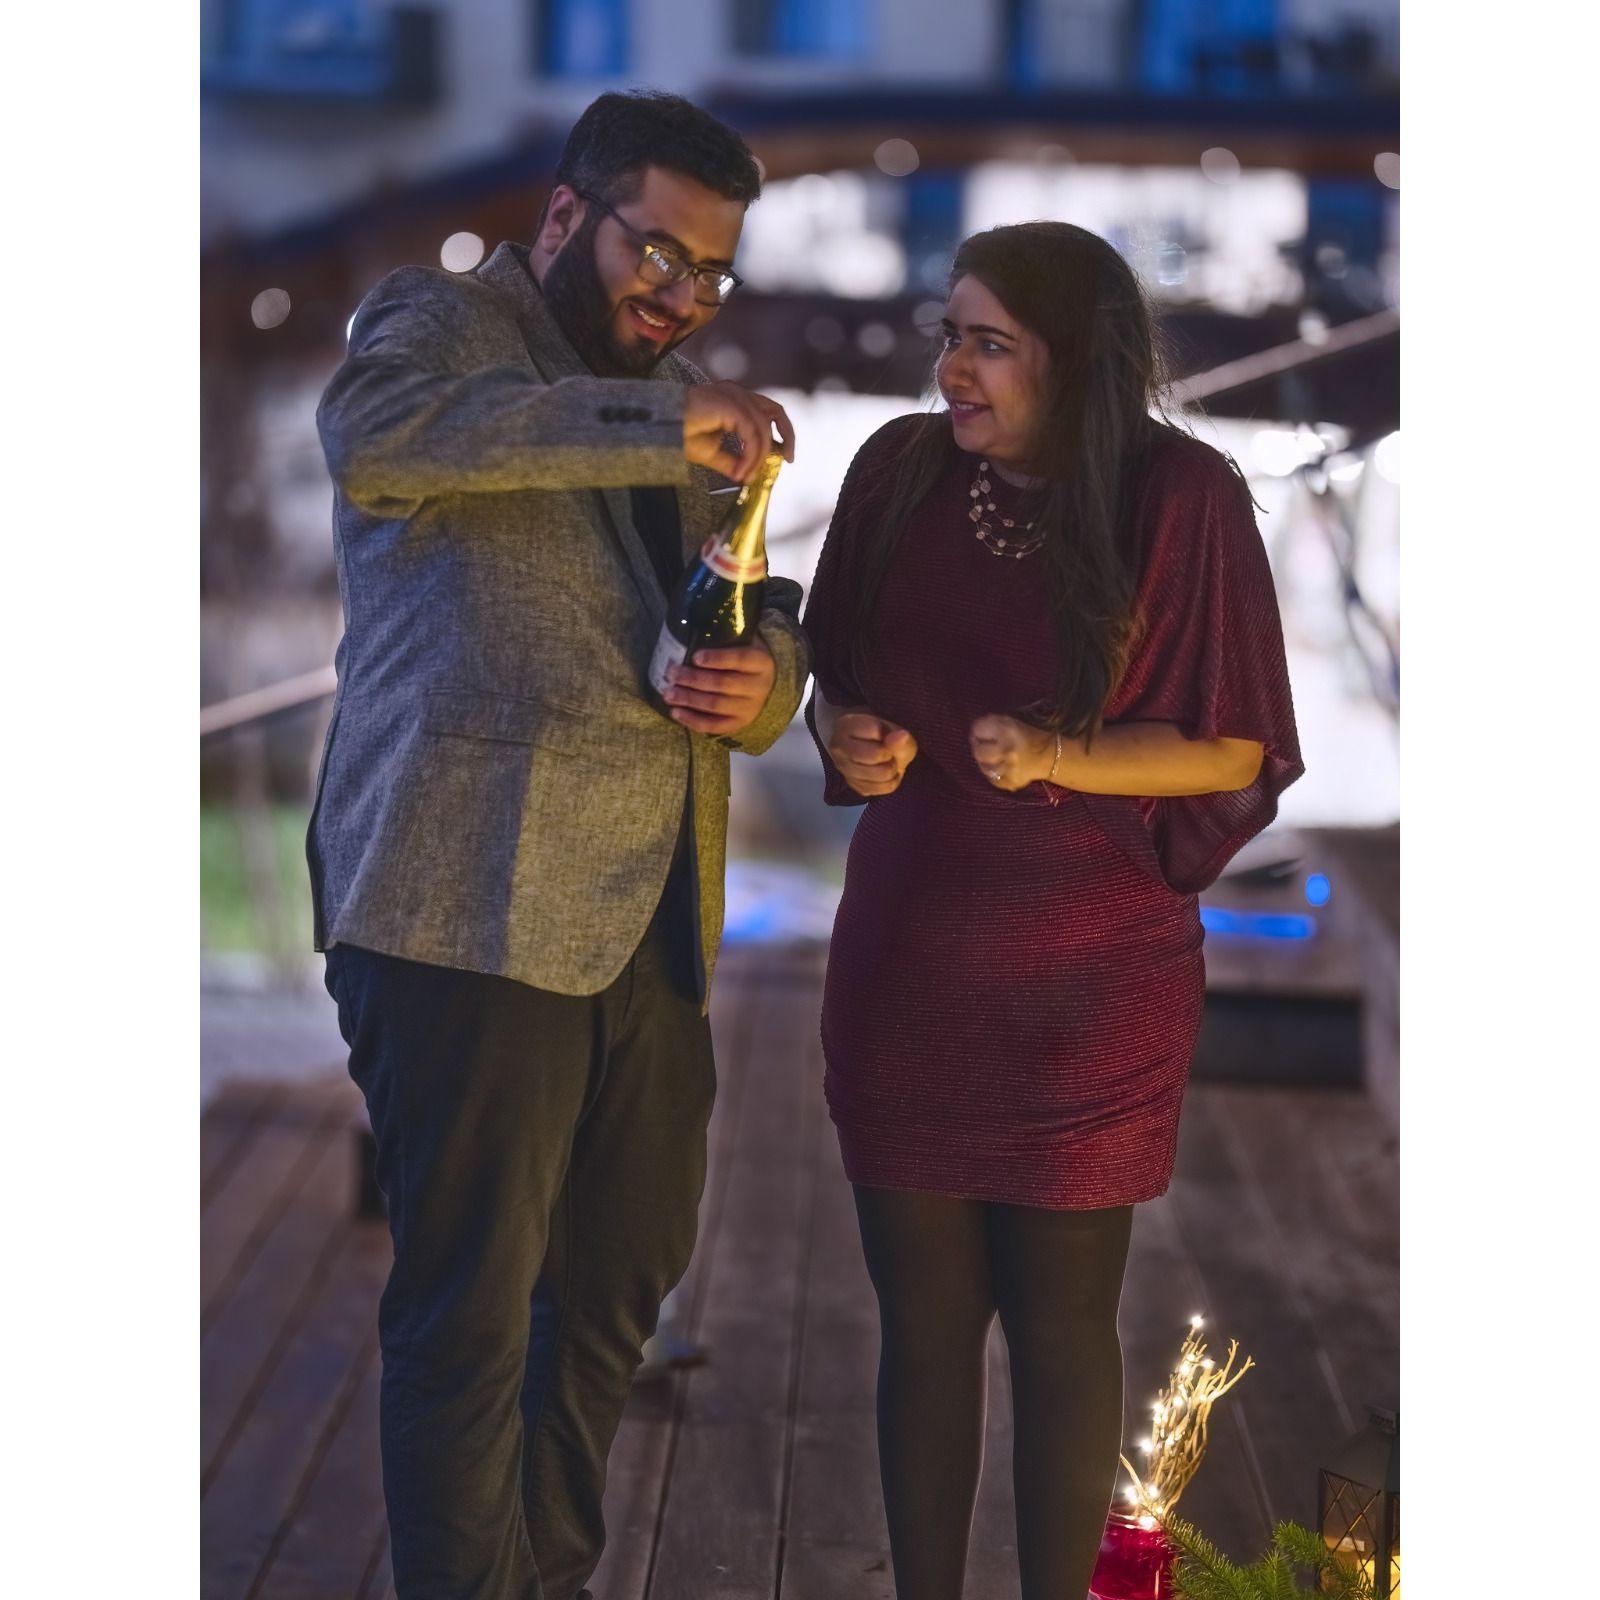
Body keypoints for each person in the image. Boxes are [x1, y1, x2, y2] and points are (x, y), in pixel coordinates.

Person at [308, 91, 808, 1600]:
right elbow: (378, 439)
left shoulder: (690, 399)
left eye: (711, 274)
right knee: (466, 1322)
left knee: (610, 1305)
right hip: (461, 906)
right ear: (566, 216)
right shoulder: (442, 330)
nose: (681, 296)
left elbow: (755, 607)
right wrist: (657, 416)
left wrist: (765, 685)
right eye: (660, 252)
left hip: (654, 919)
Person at [802, 221, 1303, 1600]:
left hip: (1093, 982)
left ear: (1071, 362)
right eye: (949, 334)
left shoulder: (1179, 495)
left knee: (1067, 1332)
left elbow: (1235, 750)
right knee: (922, 1328)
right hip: (909, 958)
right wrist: (845, 733)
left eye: (988, 343)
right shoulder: (897, 471)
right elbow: (828, 675)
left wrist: (1062, 750)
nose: (951, 366)